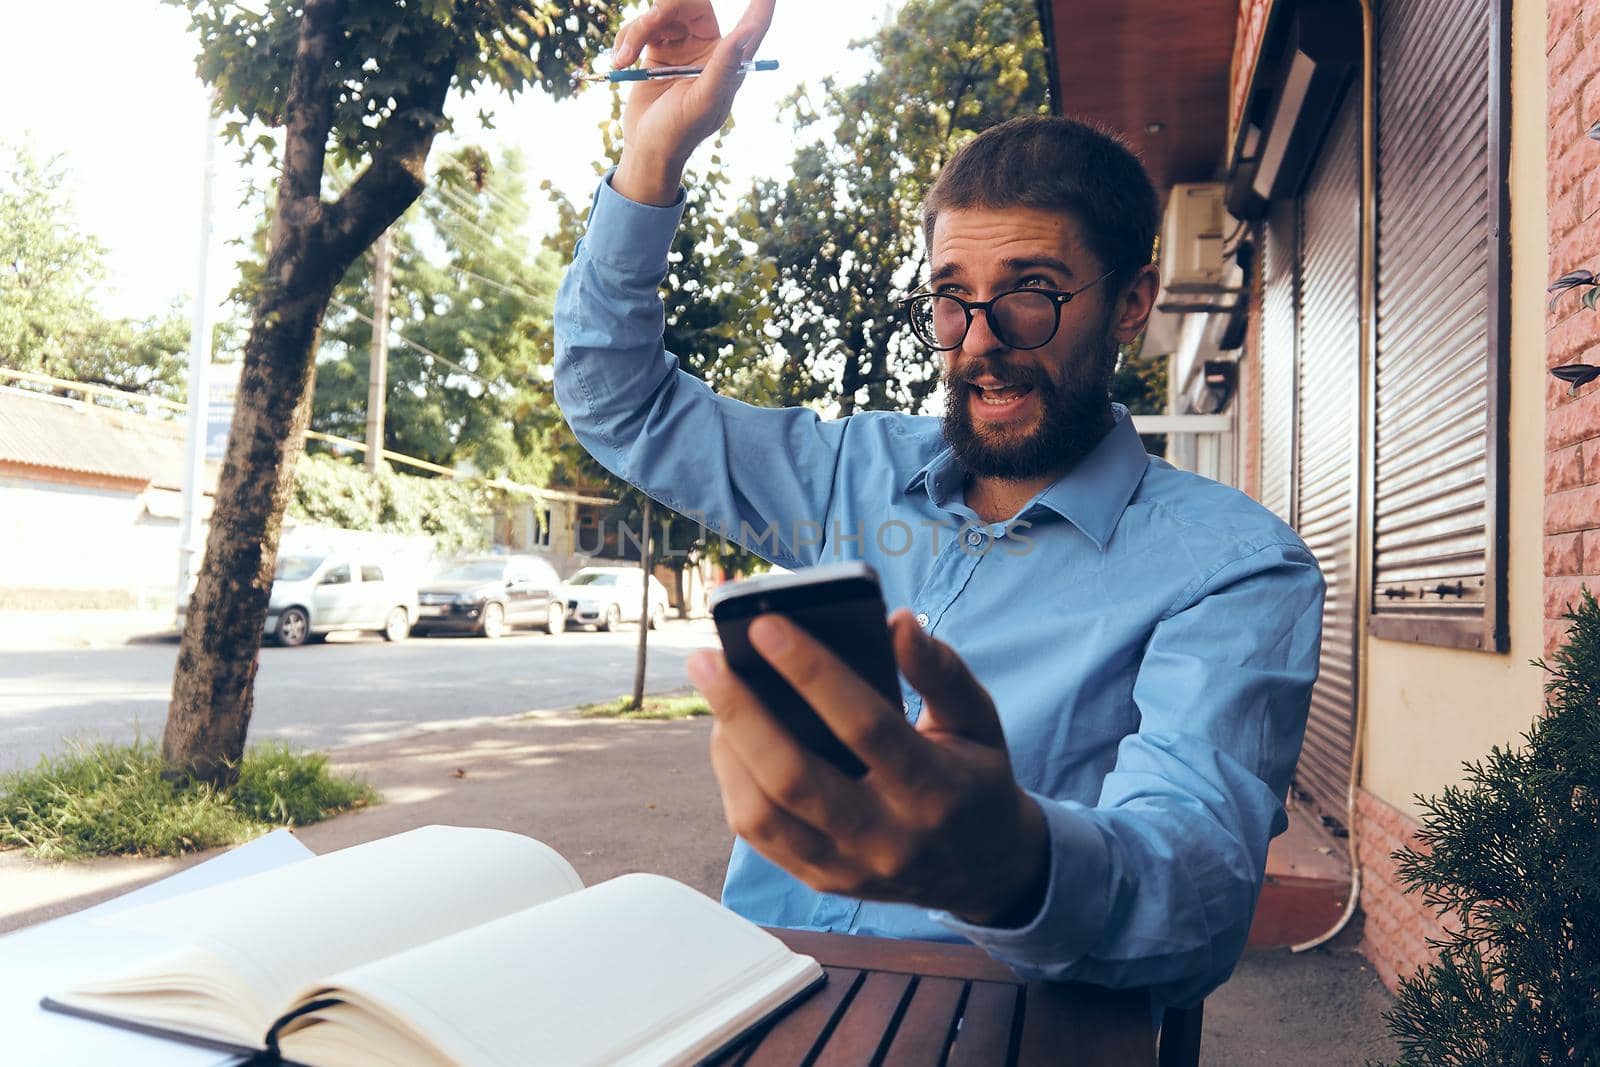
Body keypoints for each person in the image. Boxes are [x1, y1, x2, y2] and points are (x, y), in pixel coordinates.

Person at [552, 0, 1325, 1014]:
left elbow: (1197, 877)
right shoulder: (847, 473)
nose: (978, 338)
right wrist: (653, 157)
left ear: (1131, 302)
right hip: (760, 994)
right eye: (951, 295)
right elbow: (620, 399)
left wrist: (1012, 864)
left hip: (1013, 1019)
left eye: (1032, 289)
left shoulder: (1232, 565)